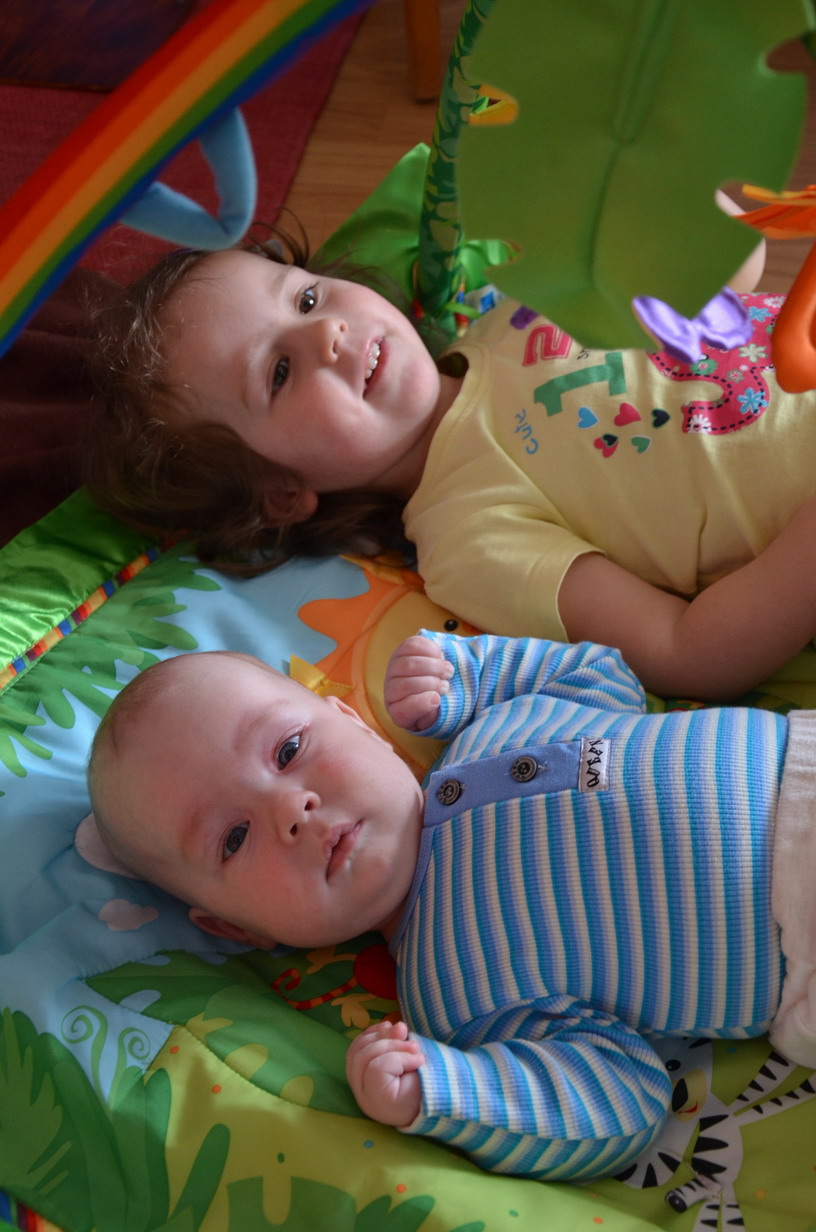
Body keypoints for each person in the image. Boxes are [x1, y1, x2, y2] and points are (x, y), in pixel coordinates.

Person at [87, 630, 816, 1183]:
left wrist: (469, 674)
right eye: (234, 838)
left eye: (288, 750)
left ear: (355, 721)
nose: (291, 810)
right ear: (236, 928)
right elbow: (621, 1099)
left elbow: (601, 675)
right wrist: (450, 1093)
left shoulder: (486, 729)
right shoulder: (454, 998)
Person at [85, 213, 816, 701]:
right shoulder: (466, 539)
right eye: (278, 372)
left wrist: (694, 203)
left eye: (305, 301)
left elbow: (726, 276)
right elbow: (687, 653)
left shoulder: (514, 306)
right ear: (279, 492)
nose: (326, 334)